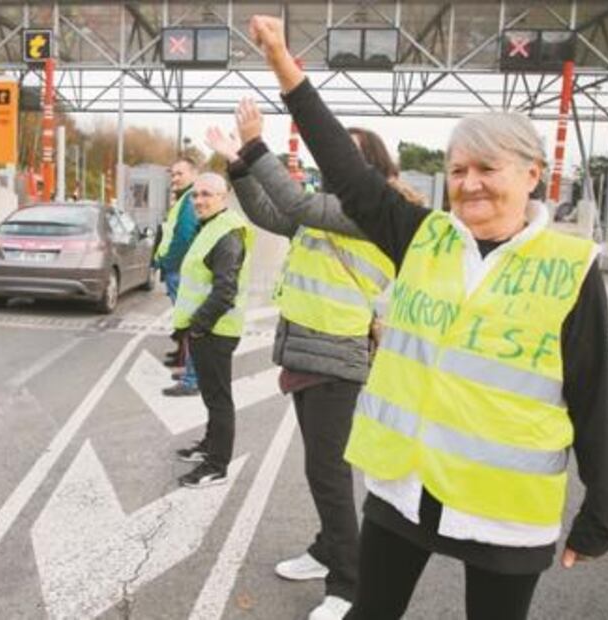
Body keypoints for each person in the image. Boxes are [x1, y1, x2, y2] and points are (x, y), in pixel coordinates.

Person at [250, 15, 608, 619]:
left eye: (486, 169)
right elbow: (346, 168)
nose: (469, 184)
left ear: (533, 174)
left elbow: (591, 391)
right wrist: (283, 66)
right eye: (457, 171)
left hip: (503, 508)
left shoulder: (570, 266)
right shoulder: (421, 237)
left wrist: (601, 509)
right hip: (404, 488)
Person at [207, 103, 411, 620]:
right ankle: (327, 552)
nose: (330, 165)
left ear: (367, 168)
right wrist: (237, 166)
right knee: (322, 470)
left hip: (337, 356)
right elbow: (271, 213)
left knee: (328, 474)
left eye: (341, 158)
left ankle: (348, 584)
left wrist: (254, 147)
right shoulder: (329, 209)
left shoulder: (373, 211)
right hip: (307, 350)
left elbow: (293, 203)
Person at [173, 172, 254, 488]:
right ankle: (209, 445)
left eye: (207, 194)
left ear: (224, 197)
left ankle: (217, 466)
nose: (199, 201)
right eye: (195, 195)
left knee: (219, 399)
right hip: (209, 330)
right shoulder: (212, 227)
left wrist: (197, 327)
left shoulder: (227, 234)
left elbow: (225, 291)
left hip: (215, 331)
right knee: (211, 395)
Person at [155, 157, 202, 396]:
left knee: (190, 326)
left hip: (180, 271)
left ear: (194, 173)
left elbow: (184, 237)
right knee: (186, 325)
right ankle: (190, 373)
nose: (174, 178)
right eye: (172, 174)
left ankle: (192, 379)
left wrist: (167, 262)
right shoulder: (184, 198)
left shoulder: (190, 200)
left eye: (179, 173)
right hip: (179, 271)